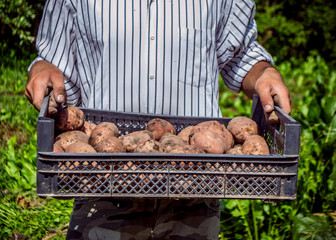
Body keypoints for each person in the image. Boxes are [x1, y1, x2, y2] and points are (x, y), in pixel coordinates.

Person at [25, 0, 291, 239]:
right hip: (102, 186)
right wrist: (42, 68)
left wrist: (265, 73)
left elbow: (243, 56)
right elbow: (53, 62)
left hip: (195, 188)